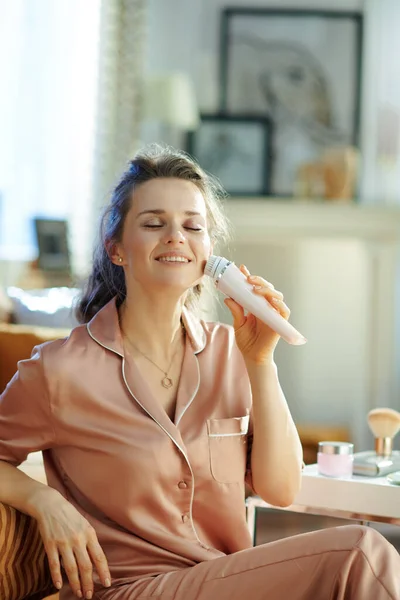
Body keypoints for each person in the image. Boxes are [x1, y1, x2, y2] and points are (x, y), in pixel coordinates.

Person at [0, 144, 399, 600]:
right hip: (127, 590)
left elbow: (282, 487)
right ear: (116, 249)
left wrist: (261, 361)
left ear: (208, 253)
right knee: (359, 553)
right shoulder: (58, 370)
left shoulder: (232, 352)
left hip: (224, 581)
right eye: (154, 224)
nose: (176, 237)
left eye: (193, 226)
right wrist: (42, 499)